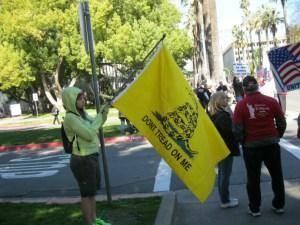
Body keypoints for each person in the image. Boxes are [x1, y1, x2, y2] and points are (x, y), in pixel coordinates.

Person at [233, 76, 286, 217]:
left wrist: (243, 142)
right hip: (271, 144)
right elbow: (281, 122)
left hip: (251, 147)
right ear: (257, 86)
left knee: (253, 179)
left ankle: (255, 208)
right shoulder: (271, 101)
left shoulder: (241, 105)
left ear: (244, 89)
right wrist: (276, 136)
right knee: (277, 175)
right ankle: (279, 205)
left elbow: (237, 129)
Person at [62, 87, 111, 225]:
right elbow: (89, 135)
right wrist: (99, 116)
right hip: (82, 159)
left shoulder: (82, 114)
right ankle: (89, 222)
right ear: (71, 101)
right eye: (80, 98)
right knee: (86, 194)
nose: (84, 100)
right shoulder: (71, 118)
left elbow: (96, 123)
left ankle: (94, 220)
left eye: (83, 97)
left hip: (92, 156)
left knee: (92, 192)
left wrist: (104, 111)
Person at [208, 92, 240, 209]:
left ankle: (225, 198)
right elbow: (230, 132)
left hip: (219, 147)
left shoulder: (213, 114)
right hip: (226, 148)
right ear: (218, 100)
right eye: (224, 98)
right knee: (225, 174)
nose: (227, 100)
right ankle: (225, 200)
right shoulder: (222, 116)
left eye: (227, 98)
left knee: (222, 173)